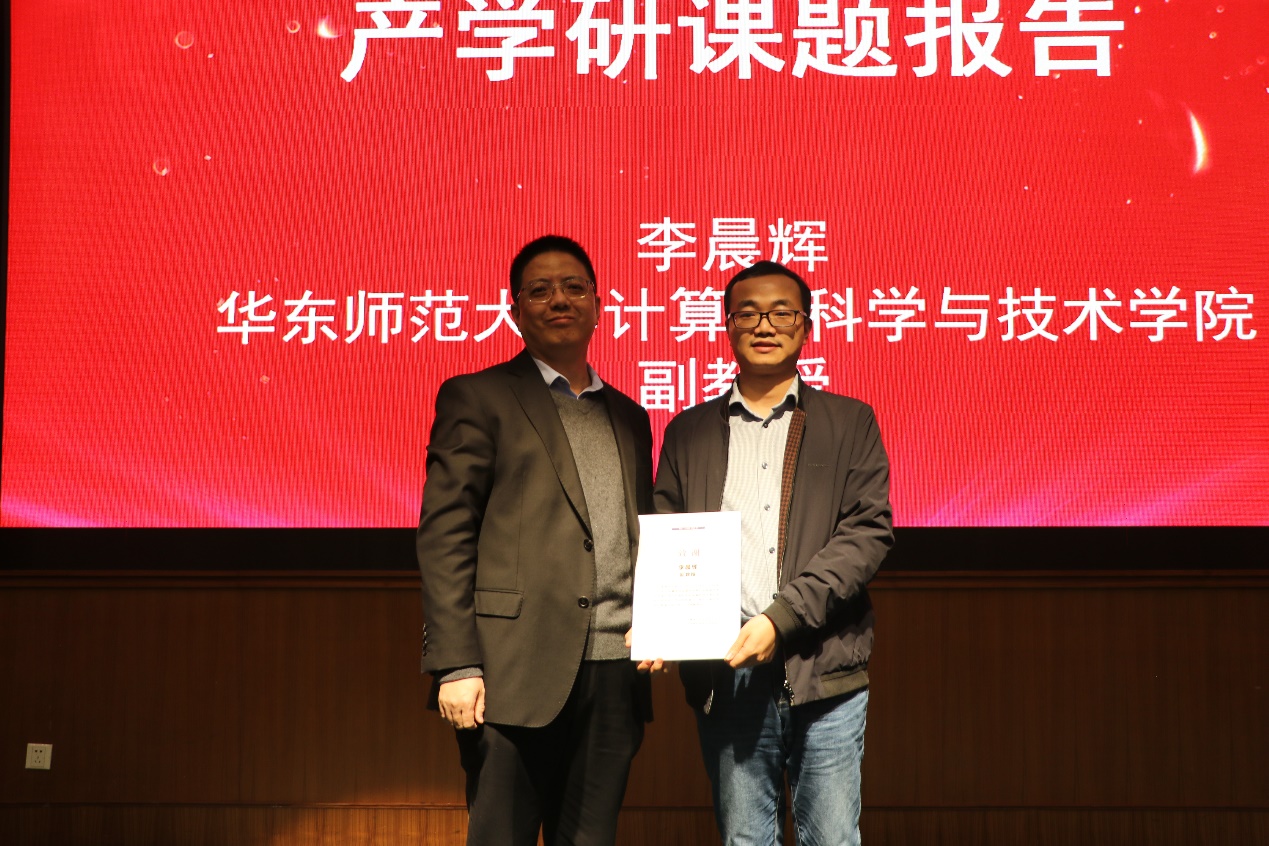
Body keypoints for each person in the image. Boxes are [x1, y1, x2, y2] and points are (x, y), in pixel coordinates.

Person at [417, 235, 654, 846]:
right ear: (515, 309)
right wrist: (456, 663)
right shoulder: (478, 396)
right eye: (540, 290)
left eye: (574, 287)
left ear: (599, 304)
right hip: (511, 674)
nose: (560, 300)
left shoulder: (630, 416)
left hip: (614, 674)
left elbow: (640, 536)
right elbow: (446, 535)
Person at [651, 260, 893, 846]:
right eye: (748, 313)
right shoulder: (687, 431)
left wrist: (779, 619)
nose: (765, 325)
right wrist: (660, 620)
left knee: (832, 839)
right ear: (727, 326)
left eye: (782, 312)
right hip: (727, 674)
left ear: (807, 326)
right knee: (744, 841)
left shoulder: (850, 421)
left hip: (824, 669)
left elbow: (867, 534)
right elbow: (667, 536)